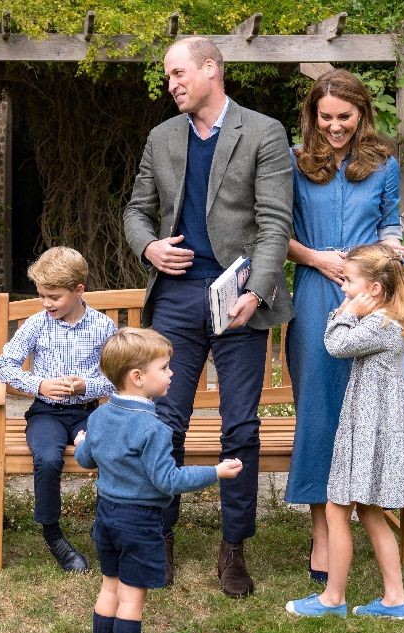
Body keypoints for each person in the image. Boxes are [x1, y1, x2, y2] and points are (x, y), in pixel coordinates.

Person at [124, 36, 293, 595]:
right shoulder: (161, 137)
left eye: (177, 74)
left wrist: (259, 291)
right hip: (175, 299)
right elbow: (135, 210)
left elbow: (274, 224)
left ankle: (233, 548)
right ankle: (161, 537)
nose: (170, 84)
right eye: (168, 76)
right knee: (165, 423)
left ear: (211, 70)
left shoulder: (263, 132)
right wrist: (149, 247)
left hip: (239, 300)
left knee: (240, 426)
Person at [284, 69, 404, 597]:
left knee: (399, 409)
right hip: (317, 293)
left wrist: (388, 250)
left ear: (362, 114)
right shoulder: (293, 162)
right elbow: (278, 232)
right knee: (320, 407)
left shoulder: (381, 163)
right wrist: (318, 259)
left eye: (345, 116)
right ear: (313, 115)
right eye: (326, 116)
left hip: (373, 296)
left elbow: (390, 224)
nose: (335, 126)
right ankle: (321, 532)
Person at [74, 327, 242, 633]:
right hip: (139, 522)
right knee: (132, 598)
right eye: (165, 368)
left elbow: (86, 459)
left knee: (109, 586)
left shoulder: (100, 417)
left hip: (106, 517)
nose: (172, 374)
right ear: (138, 378)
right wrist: (216, 471)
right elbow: (168, 480)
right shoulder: (154, 429)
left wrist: (80, 441)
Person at [286, 244, 404, 619]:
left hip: (370, 434)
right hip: (369, 429)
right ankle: (394, 599)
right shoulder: (385, 321)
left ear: (374, 290)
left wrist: (345, 313)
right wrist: (351, 310)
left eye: (349, 281)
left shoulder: (379, 324)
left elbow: (335, 345)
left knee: (338, 511)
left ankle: (332, 599)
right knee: (368, 513)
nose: (343, 288)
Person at [0, 246, 117, 572]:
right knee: (47, 458)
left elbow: (118, 379)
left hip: (89, 413)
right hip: (46, 413)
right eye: (42, 296)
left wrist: (86, 386)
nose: (46, 303)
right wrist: (39, 385)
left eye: (54, 297)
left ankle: (105, 529)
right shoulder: (37, 324)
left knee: (107, 452)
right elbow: (3, 366)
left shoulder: (103, 327)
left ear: (78, 290)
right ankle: (53, 535)